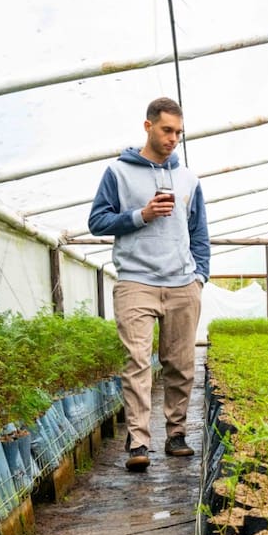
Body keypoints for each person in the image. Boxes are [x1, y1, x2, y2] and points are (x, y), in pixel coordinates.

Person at [88, 97, 210, 472]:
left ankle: (176, 434)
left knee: (181, 363)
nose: (173, 139)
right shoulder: (118, 173)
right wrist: (140, 216)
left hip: (181, 283)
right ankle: (139, 440)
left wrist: (199, 277)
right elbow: (97, 221)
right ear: (148, 126)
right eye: (166, 130)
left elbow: (199, 233)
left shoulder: (189, 179)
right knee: (138, 362)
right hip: (135, 282)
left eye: (178, 133)